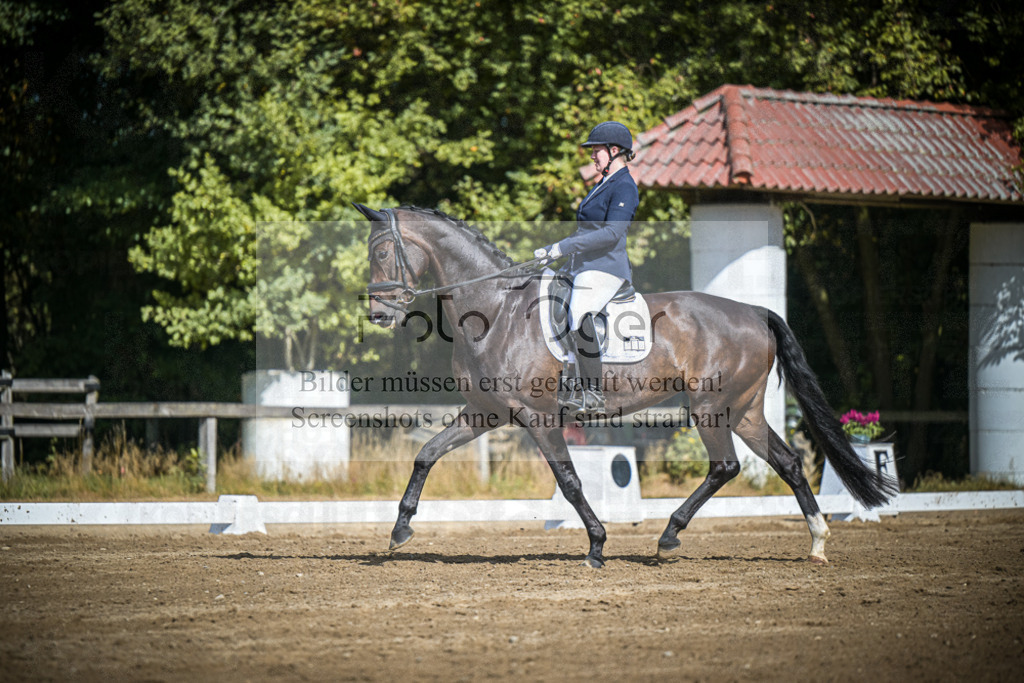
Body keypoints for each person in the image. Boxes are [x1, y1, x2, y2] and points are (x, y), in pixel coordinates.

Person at [534, 121, 639, 413]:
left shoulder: (625, 187)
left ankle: (592, 393)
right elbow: (585, 232)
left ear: (614, 151)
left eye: (597, 151)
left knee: (579, 311)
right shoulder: (602, 184)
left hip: (606, 268)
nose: (593, 156)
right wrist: (552, 251)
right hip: (581, 265)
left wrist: (563, 247)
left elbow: (611, 234)